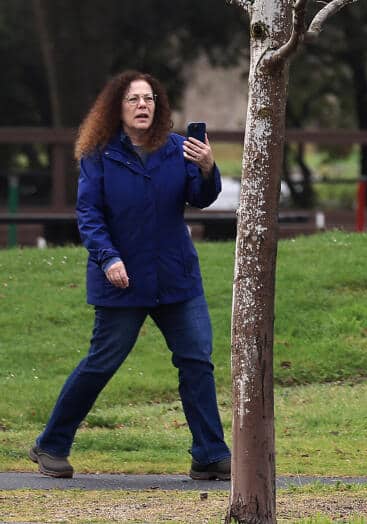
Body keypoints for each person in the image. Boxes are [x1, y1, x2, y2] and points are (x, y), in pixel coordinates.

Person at [29, 71, 231, 480]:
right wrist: (108, 259)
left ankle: (209, 453)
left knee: (197, 360)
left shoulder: (178, 149)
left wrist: (208, 168)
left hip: (177, 278)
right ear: (116, 109)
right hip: (121, 279)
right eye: (134, 99)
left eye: (149, 98)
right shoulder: (98, 154)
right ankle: (50, 445)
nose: (143, 105)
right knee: (102, 363)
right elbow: (89, 215)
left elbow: (200, 198)